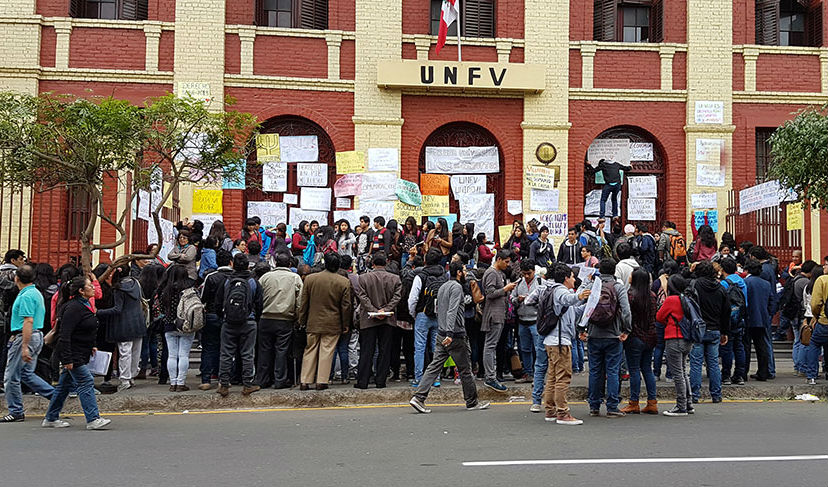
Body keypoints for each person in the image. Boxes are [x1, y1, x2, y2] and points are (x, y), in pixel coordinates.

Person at [409, 261, 490, 414]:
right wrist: (450, 333)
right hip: (455, 335)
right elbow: (452, 311)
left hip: (442, 333)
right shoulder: (457, 288)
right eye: (464, 270)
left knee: (434, 366)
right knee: (465, 369)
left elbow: (439, 309)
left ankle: (419, 397)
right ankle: (472, 402)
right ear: (458, 272)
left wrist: (444, 331)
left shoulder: (443, 286)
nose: (466, 273)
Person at [41, 276, 111, 430]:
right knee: (86, 381)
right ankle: (93, 419)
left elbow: (85, 329)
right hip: (73, 353)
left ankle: (51, 417)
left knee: (64, 386)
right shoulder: (73, 308)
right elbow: (64, 335)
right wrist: (67, 359)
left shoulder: (84, 305)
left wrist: (92, 345)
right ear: (81, 291)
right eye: (89, 286)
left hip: (81, 351)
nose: (93, 287)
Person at [529, 263, 590, 424]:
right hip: (560, 342)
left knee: (553, 378)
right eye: (572, 277)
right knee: (563, 378)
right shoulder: (560, 291)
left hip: (552, 341)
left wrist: (587, 305)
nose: (574, 280)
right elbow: (568, 299)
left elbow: (572, 311)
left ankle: (551, 411)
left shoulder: (552, 290)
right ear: (565, 278)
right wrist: (579, 296)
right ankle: (563, 413)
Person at [1, 264, 54, 423]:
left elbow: (28, 320)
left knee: (11, 376)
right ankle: (55, 396)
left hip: (25, 336)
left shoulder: (26, 296)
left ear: (16, 278)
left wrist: (24, 346)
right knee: (26, 373)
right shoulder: (35, 292)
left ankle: (16, 410)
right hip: (35, 335)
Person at [580, 259, 631, 418]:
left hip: (594, 334)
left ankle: (594, 406)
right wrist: (626, 329)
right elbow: (626, 311)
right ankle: (612, 406)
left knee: (595, 371)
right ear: (614, 271)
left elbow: (582, 307)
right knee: (613, 371)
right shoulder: (618, 287)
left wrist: (581, 328)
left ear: (600, 270)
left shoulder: (591, 286)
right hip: (613, 334)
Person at [298, 253, 352, 390]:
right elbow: (346, 306)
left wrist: (302, 320)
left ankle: (305, 380)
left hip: (312, 321)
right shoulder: (343, 282)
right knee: (326, 350)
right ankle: (321, 381)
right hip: (333, 322)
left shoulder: (310, 279)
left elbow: (304, 303)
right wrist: (346, 324)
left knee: (310, 349)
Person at [216, 253, 263, 397]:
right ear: (248, 265)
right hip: (248, 322)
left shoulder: (226, 282)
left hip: (228, 322)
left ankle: (224, 384)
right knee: (247, 354)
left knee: (226, 354)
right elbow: (259, 304)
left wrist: (224, 316)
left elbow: (218, 303)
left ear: (232, 265)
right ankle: (247, 384)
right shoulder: (253, 282)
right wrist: (254, 318)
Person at [353, 251, 402, 389]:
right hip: (388, 318)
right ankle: (381, 381)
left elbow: (362, 297)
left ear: (372, 263)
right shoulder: (395, 279)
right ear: (386, 263)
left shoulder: (363, 278)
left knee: (367, 350)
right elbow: (397, 297)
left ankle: (363, 381)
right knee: (384, 350)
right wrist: (385, 310)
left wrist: (374, 310)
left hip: (368, 319)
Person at [96, 265, 146, 392]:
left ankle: (124, 379)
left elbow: (117, 309)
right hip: (138, 322)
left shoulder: (118, 289)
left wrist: (98, 312)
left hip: (123, 324)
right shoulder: (136, 284)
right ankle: (132, 376)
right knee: (136, 352)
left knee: (125, 352)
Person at [257, 252, 303, 389]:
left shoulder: (265, 277)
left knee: (264, 350)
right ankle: (279, 380)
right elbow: (299, 302)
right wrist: (297, 318)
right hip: (285, 319)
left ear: (276, 263)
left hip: (265, 318)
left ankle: (262, 379)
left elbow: (257, 297)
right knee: (282, 350)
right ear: (289, 264)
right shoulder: (295, 278)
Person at [687, 261, 729, 403]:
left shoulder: (694, 285)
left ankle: (694, 395)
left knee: (696, 363)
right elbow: (726, 312)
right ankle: (716, 394)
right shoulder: (721, 288)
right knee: (713, 363)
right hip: (715, 329)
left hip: (698, 329)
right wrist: (725, 332)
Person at [620, 267, 659, 414]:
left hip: (635, 336)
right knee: (647, 368)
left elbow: (627, 316)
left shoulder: (630, 296)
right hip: (650, 336)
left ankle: (634, 402)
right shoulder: (652, 296)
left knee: (634, 369)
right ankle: (652, 402)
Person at [407, 249, 448, 387]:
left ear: (425, 260)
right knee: (437, 348)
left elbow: (412, 299)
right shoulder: (445, 276)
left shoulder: (420, 276)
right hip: (439, 315)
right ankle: (436, 378)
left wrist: (414, 313)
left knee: (419, 347)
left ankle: (419, 378)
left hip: (423, 314)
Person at [656, 274, 694, 416]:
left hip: (674, 337)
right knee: (683, 372)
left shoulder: (671, 300)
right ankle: (688, 403)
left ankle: (681, 406)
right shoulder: (687, 298)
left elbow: (659, 317)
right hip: (687, 338)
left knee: (677, 374)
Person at [481, 249, 516, 392]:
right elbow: (489, 293)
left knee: (492, 345)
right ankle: (490, 377)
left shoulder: (499, 273)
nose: (508, 265)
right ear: (499, 259)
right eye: (506, 262)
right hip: (493, 315)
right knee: (490, 346)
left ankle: (491, 376)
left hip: (499, 314)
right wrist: (505, 289)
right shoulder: (491, 273)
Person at [198, 249, 233, 390]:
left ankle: (206, 379)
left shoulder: (211, 277)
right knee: (227, 349)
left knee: (208, 347)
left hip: (212, 315)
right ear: (231, 262)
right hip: (230, 317)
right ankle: (223, 379)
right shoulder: (235, 277)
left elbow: (203, 298)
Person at [511, 260, 546, 383]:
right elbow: (512, 298)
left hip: (536, 321)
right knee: (525, 349)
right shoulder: (518, 283)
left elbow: (546, 301)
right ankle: (528, 373)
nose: (526, 276)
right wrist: (518, 300)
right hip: (522, 321)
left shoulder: (541, 283)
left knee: (539, 349)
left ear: (534, 271)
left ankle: (539, 375)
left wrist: (534, 301)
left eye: (529, 273)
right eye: (524, 273)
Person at [719, 258, 748, 386]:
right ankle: (739, 375)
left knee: (727, 348)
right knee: (739, 347)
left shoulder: (724, 284)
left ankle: (726, 375)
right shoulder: (742, 282)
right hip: (740, 319)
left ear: (722, 270)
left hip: (728, 320)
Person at [744, 259, 773, 381]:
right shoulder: (766, 284)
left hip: (747, 317)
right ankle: (763, 372)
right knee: (761, 346)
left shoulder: (745, 282)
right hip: (762, 318)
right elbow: (771, 301)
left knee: (745, 347)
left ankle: (743, 372)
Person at [804, 268, 828, 384]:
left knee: (814, 344)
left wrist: (816, 316)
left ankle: (811, 375)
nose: (824, 267)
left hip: (824, 320)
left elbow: (815, 304)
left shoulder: (822, 280)